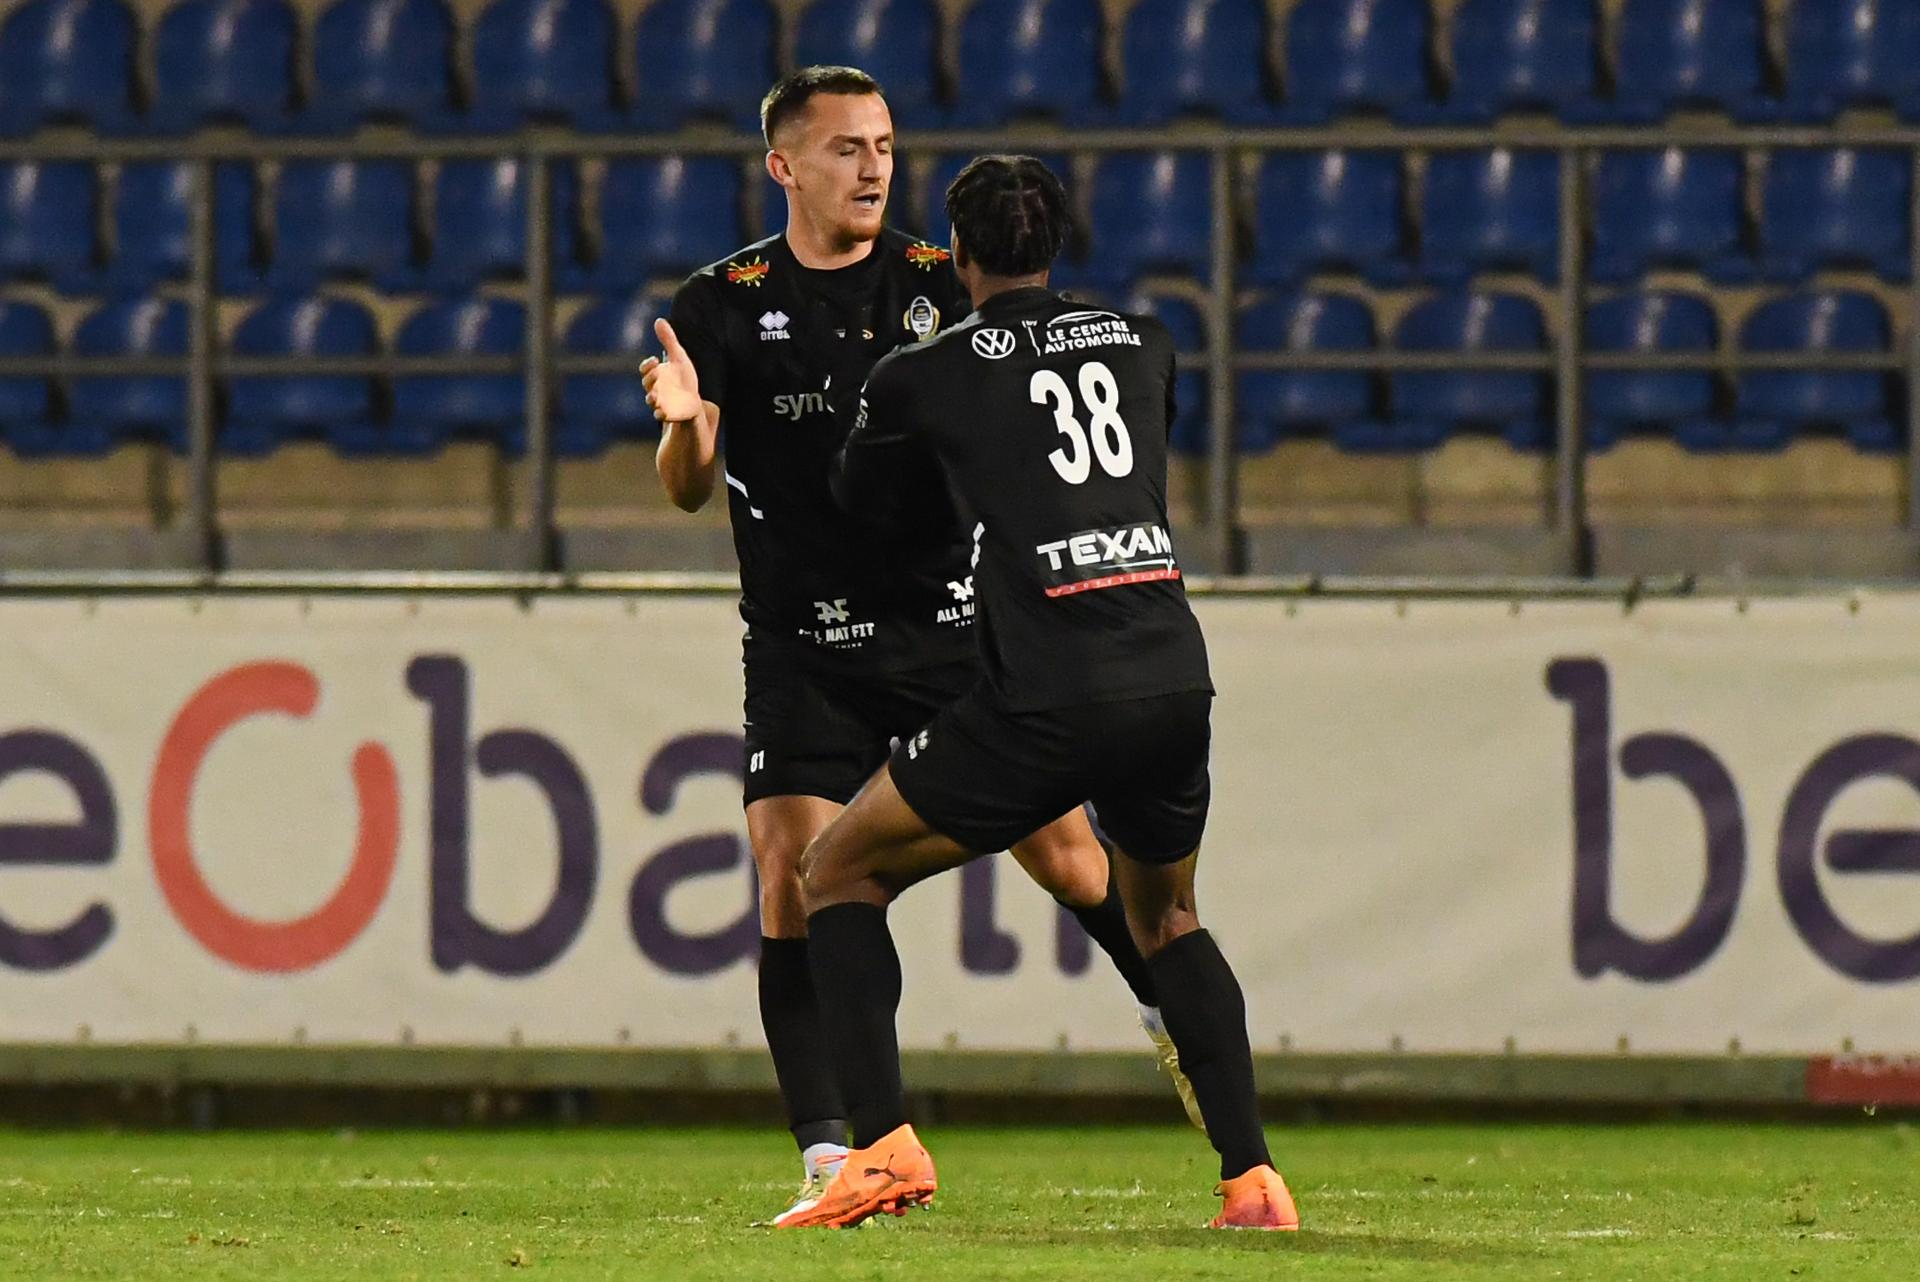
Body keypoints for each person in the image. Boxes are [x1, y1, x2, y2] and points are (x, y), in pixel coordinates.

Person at [639, 70, 1197, 1226]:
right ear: (784, 166)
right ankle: (832, 1151)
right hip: (803, 641)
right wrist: (687, 427)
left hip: (947, 629)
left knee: (1071, 860)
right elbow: (689, 487)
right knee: (791, 875)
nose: (873, 167)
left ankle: (1168, 1013)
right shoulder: (722, 301)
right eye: (846, 148)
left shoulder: (943, 284)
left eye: (885, 146)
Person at [779, 155, 1300, 1232]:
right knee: (1169, 918)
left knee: (834, 871)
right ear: (1057, 244)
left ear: (954, 253)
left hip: (1047, 688)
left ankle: (879, 1149)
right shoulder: (1146, 342)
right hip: (1170, 672)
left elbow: (863, 507)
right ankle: (1253, 1181)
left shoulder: (924, 373)